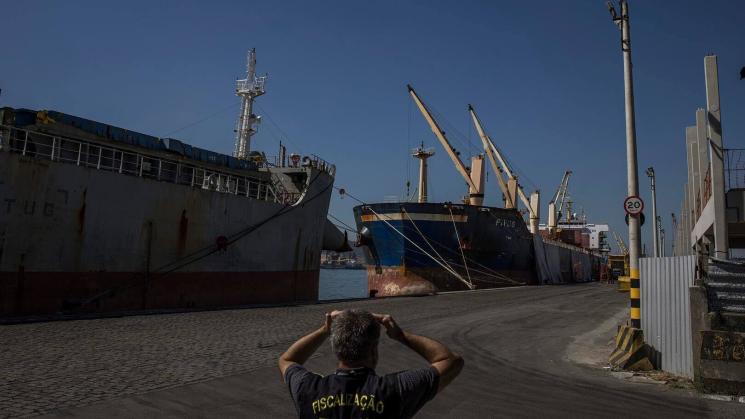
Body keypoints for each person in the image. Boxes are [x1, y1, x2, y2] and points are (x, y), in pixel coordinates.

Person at [278, 309, 464, 418]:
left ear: (336, 348)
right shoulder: (396, 390)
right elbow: (451, 361)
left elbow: (287, 359)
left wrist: (325, 330)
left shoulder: (308, 389)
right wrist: (400, 335)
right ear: (373, 350)